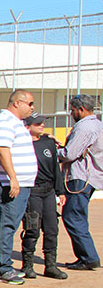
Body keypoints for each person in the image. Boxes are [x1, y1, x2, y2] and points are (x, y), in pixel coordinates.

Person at [0, 90, 37, 284]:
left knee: (10, 225)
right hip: (5, 184)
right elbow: (2, 149)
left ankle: (4, 265)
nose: (32, 108)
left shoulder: (15, 122)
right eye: (29, 104)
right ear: (17, 103)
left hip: (17, 184)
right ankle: (3, 269)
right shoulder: (5, 121)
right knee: (5, 225)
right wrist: (13, 179)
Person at [19, 113, 68, 280]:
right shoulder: (22, 144)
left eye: (42, 123)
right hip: (32, 191)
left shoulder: (48, 143)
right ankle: (27, 265)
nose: (42, 125)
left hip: (48, 191)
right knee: (32, 228)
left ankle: (51, 265)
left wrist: (60, 191)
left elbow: (55, 169)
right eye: (37, 123)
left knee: (52, 228)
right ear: (27, 127)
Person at [58, 94, 102, 271]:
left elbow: (70, 154)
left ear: (81, 110)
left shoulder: (85, 127)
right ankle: (87, 256)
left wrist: (52, 152)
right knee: (77, 216)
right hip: (89, 177)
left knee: (73, 216)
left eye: (72, 110)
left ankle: (88, 257)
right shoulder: (97, 124)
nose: (71, 113)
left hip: (80, 177)